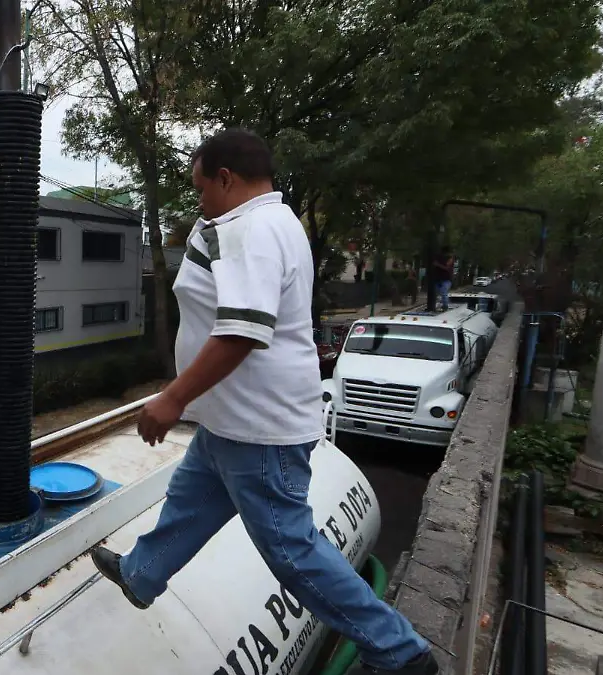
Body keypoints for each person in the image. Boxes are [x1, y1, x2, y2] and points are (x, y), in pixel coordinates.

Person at [90, 128, 438, 675]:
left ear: (226, 179)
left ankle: (398, 652)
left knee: (291, 550)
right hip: (231, 421)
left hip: (258, 430)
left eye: (201, 188)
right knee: (189, 498)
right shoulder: (276, 222)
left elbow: (242, 331)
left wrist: (172, 398)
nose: (199, 200)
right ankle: (142, 574)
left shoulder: (247, 229)